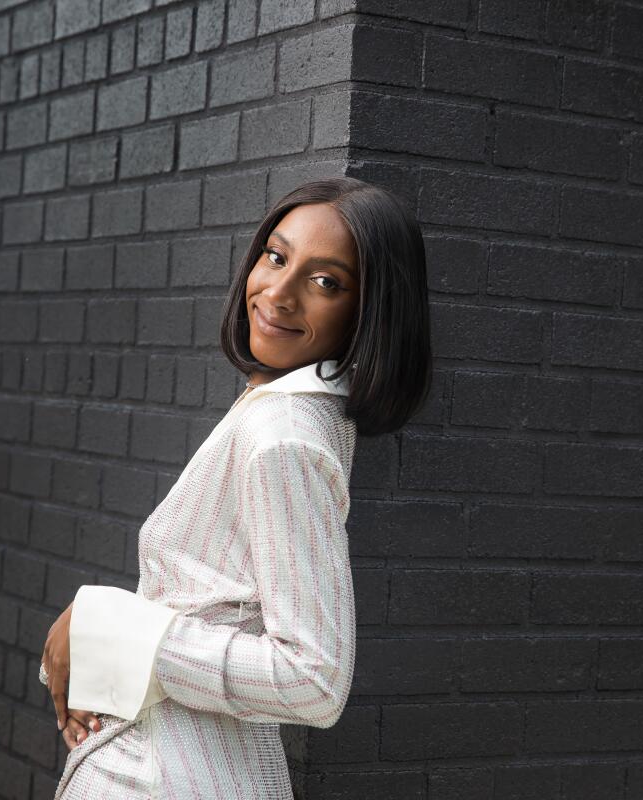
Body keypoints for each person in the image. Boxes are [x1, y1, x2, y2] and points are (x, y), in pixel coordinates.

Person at [38, 177, 432, 798]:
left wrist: (112, 625)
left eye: (326, 282)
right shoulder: (276, 409)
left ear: (368, 311)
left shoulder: (284, 434)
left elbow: (315, 680)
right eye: (276, 257)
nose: (278, 292)